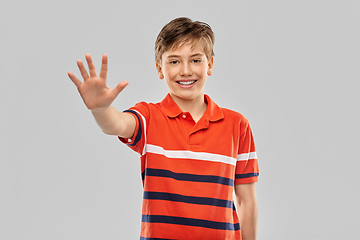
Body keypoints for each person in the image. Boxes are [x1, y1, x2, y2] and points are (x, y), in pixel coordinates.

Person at [68, 17, 259, 240]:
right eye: (174, 61)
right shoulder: (149, 118)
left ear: (210, 64)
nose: (186, 70)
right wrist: (100, 109)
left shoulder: (237, 125)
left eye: (195, 60)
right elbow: (117, 124)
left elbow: (247, 200)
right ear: (160, 68)